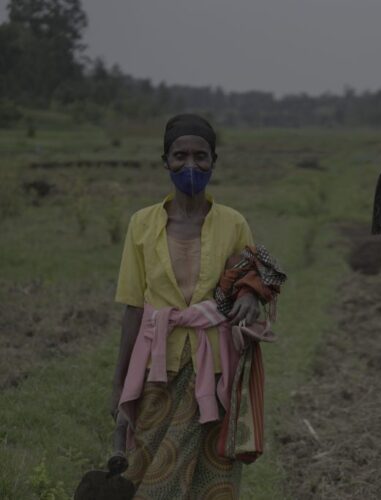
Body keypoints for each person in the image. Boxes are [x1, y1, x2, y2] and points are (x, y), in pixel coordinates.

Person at [110, 114, 261, 499]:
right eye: (180, 155)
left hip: (214, 370)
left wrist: (248, 296)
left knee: (212, 479)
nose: (190, 165)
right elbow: (132, 308)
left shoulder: (233, 223)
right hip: (156, 371)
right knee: (148, 474)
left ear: (214, 161)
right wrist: (118, 386)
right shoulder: (141, 224)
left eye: (200, 155)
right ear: (165, 160)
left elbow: (255, 279)